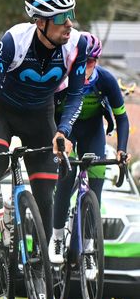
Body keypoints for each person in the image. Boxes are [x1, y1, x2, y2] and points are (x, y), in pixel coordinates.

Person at [0, 0, 87, 256]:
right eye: (59, 17)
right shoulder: (14, 41)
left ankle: (40, 265)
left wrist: (63, 131)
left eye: (71, 14)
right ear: (40, 21)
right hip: (3, 111)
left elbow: (76, 94)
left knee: (46, 195)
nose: (68, 23)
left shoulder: (75, 45)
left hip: (39, 115)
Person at [50, 32, 130, 267]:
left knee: (96, 188)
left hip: (93, 132)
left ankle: (88, 249)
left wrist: (121, 149)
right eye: (81, 62)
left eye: (91, 62)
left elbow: (122, 119)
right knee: (65, 181)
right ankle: (56, 238)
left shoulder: (106, 80)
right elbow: (49, 113)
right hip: (67, 131)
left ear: (98, 61)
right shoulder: (63, 79)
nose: (86, 67)